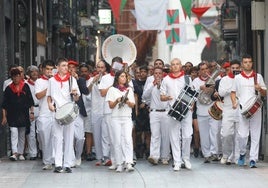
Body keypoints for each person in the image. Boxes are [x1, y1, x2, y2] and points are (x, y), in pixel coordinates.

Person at [231, 54, 267, 168]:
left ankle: (253, 159)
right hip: (242, 109)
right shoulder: (237, 78)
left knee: (256, 134)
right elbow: (233, 92)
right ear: (242, 64)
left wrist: (259, 89)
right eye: (245, 62)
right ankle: (242, 153)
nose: (247, 64)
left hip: (256, 108)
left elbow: (265, 93)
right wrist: (234, 102)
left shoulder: (258, 77)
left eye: (249, 62)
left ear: (252, 63)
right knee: (242, 135)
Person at [47, 58, 80, 173]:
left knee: (69, 138)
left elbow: (77, 97)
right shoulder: (51, 80)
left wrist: (75, 94)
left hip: (69, 111)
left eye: (66, 66)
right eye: (63, 65)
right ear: (57, 67)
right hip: (57, 111)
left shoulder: (71, 80)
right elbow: (49, 96)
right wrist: (50, 105)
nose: (66, 68)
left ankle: (67, 164)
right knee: (57, 138)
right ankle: (58, 163)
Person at [160, 58, 193, 171]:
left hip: (186, 110)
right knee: (174, 137)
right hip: (173, 110)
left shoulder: (187, 78)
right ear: (170, 67)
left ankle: (186, 158)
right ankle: (177, 161)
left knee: (187, 135)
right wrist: (167, 98)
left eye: (177, 64)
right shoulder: (166, 80)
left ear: (181, 65)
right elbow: (162, 96)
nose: (175, 66)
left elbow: (192, 93)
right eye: (173, 64)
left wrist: (192, 104)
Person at [1, 68, 34, 161]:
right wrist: (4, 116)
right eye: (14, 77)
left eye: (18, 76)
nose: (16, 78)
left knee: (22, 134)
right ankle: (14, 152)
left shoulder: (25, 86)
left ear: (21, 76)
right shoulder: (8, 88)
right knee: (14, 132)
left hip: (23, 114)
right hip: (12, 115)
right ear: (11, 78)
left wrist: (31, 112)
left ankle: (21, 153)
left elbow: (30, 101)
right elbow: (4, 104)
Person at [106, 70, 135, 172]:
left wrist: (126, 101)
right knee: (117, 141)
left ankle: (129, 162)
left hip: (126, 117)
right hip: (116, 118)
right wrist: (117, 100)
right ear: (117, 78)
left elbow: (133, 104)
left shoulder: (129, 90)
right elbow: (110, 106)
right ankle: (119, 163)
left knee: (127, 139)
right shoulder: (112, 90)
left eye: (125, 76)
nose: (123, 78)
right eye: (121, 76)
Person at [192, 62, 221, 163]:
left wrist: (213, 89)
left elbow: (219, 91)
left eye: (206, 69)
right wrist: (200, 88)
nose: (204, 71)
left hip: (213, 109)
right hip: (201, 110)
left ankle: (215, 153)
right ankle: (206, 154)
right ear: (199, 71)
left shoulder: (216, 78)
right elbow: (192, 94)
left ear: (209, 69)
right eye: (202, 69)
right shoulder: (195, 81)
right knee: (203, 134)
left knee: (215, 132)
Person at [142, 67, 170, 165]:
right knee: (155, 135)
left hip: (165, 112)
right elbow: (144, 96)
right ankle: (154, 156)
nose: (157, 75)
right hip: (154, 112)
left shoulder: (167, 83)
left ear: (162, 74)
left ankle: (165, 156)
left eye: (159, 73)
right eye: (155, 73)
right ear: (153, 75)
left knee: (166, 135)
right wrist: (153, 85)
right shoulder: (150, 84)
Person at [218, 60, 241, 165]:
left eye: (237, 68)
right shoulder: (224, 79)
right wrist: (232, 87)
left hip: (240, 109)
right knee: (226, 134)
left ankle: (236, 156)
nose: (235, 70)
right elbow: (221, 92)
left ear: (240, 68)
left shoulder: (242, 79)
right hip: (228, 109)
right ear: (230, 69)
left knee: (239, 135)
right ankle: (226, 154)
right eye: (233, 68)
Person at [35, 60, 55, 170]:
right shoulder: (39, 81)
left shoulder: (56, 80)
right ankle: (47, 161)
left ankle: (55, 160)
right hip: (44, 114)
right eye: (47, 69)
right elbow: (38, 95)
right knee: (45, 138)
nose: (49, 71)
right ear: (42, 69)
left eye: (51, 69)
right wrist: (50, 87)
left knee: (56, 138)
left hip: (56, 114)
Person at [68, 60, 88, 167]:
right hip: (66, 112)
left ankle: (78, 156)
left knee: (80, 137)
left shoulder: (81, 80)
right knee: (69, 137)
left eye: (73, 67)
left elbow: (85, 91)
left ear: (76, 69)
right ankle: (70, 158)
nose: (71, 69)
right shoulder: (62, 80)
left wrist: (77, 80)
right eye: (69, 67)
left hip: (78, 110)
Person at [89, 60, 108, 165]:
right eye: (98, 67)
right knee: (96, 135)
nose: (100, 69)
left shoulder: (109, 79)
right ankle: (99, 157)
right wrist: (93, 82)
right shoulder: (92, 79)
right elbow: (87, 91)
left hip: (106, 110)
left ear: (105, 68)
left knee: (106, 135)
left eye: (102, 67)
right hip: (95, 110)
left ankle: (107, 156)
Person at [79, 63, 96, 161]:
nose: (84, 73)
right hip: (80, 110)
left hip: (89, 110)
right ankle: (80, 152)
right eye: (82, 71)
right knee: (80, 133)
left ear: (89, 72)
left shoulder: (92, 81)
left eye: (86, 71)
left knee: (88, 132)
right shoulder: (78, 81)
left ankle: (89, 152)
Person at [25, 65, 39, 160]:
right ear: (29, 73)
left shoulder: (41, 83)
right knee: (31, 133)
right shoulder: (26, 84)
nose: (34, 73)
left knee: (41, 132)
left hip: (42, 108)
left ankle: (41, 150)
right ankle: (33, 153)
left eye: (36, 71)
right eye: (32, 72)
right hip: (31, 109)